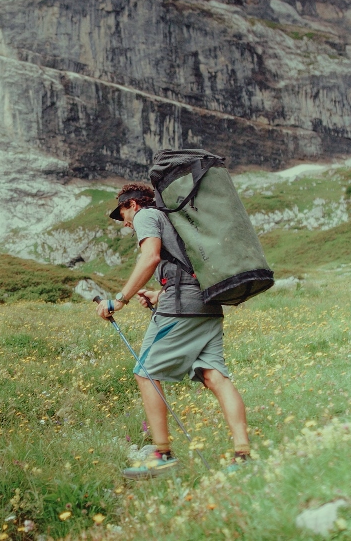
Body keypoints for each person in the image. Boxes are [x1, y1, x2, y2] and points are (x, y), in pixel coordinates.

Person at [96, 183, 250, 479]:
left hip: (183, 305)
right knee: (214, 375)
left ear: (133, 204)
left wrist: (120, 299)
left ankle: (162, 454)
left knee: (146, 372)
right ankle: (243, 456)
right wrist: (159, 294)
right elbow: (183, 267)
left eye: (123, 213)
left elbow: (150, 257)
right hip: (208, 301)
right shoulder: (174, 218)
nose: (125, 222)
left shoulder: (145, 216)